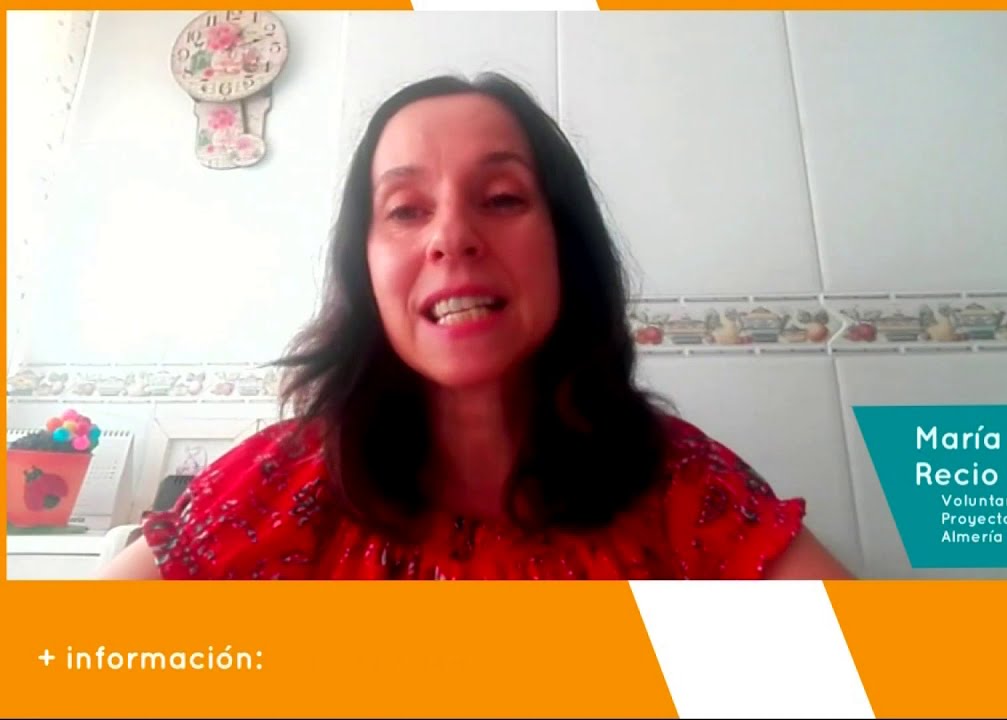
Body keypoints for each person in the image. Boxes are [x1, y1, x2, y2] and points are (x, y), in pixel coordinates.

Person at [99, 73, 853, 581]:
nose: (451, 237)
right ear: (365, 267)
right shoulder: (277, 486)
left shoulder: (683, 486)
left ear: (564, 246)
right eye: (406, 210)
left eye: (500, 199)